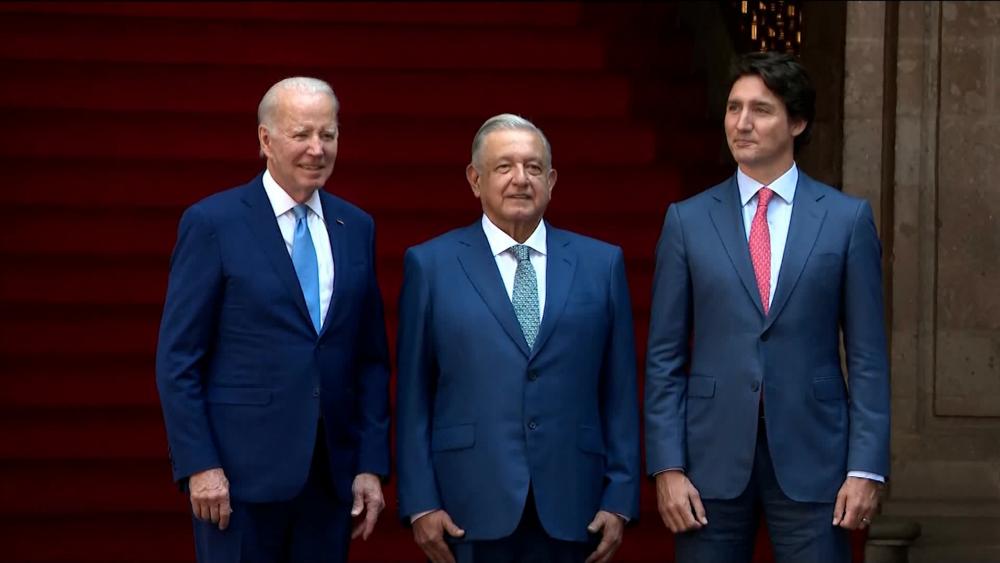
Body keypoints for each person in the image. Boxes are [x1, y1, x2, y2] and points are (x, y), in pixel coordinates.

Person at [644, 52, 890, 562]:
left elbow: (867, 357)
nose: (742, 123)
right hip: (709, 459)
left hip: (815, 455)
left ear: (797, 122)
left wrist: (865, 467)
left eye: (760, 109)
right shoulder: (687, 221)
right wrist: (667, 466)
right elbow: (664, 357)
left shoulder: (846, 220)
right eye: (734, 108)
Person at [155, 76, 390, 562]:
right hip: (237, 481)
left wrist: (370, 464)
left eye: (328, 134)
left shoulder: (355, 226)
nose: (317, 149)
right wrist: (200, 464)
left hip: (329, 479)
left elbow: (369, 359)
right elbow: (179, 359)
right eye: (302, 134)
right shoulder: (214, 223)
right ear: (265, 140)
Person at [396, 114, 641, 563]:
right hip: (467, 502)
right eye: (504, 167)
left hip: (574, 502)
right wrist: (420, 501)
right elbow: (413, 394)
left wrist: (621, 496)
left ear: (551, 181)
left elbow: (620, 390)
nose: (520, 179)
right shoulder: (430, 265)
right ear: (475, 180)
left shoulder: (601, 264)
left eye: (533, 167)